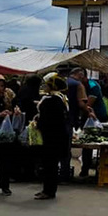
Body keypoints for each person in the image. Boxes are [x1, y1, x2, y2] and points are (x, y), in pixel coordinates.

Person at [35, 72, 70, 200]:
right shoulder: (62, 99)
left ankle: (48, 191)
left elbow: (46, 120)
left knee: (49, 165)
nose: (45, 87)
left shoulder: (51, 101)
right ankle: (47, 189)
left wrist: (37, 123)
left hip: (51, 137)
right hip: (58, 136)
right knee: (51, 165)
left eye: (47, 85)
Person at [12, 75, 43, 181]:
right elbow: (25, 103)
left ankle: (22, 173)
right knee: (28, 150)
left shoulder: (24, 90)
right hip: (27, 124)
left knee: (24, 150)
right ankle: (27, 173)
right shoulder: (28, 91)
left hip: (25, 124)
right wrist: (35, 103)